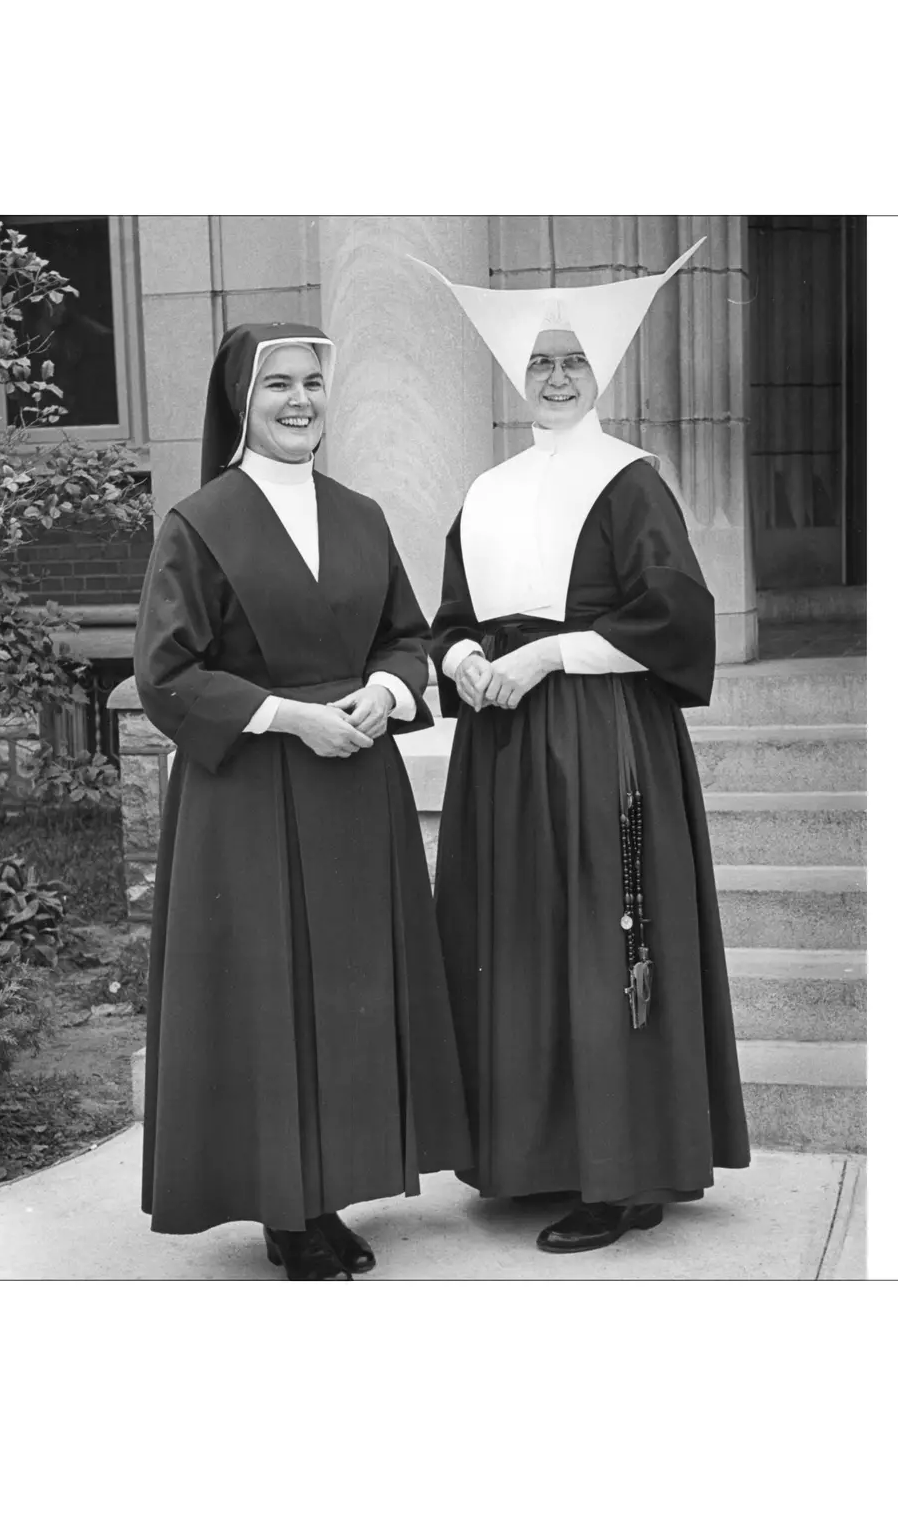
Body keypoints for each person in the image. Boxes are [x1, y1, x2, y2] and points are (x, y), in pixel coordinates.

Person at [414, 243, 750, 1253]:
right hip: (502, 747)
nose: (555, 377)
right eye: (540, 362)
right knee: (518, 944)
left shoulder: (630, 481)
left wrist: (550, 655)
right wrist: (463, 657)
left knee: (605, 942)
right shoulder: (486, 489)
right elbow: (450, 614)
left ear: (598, 372)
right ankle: (535, 1155)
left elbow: (673, 616)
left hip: (601, 739)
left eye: (572, 361)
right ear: (518, 375)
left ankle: (622, 1175)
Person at [133, 322, 471, 1279]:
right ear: (241, 400)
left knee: (346, 998)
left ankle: (327, 1194)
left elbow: (407, 635)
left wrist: (389, 691)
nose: (299, 400)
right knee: (271, 1001)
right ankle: (287, 1210)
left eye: (313, 383)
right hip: (249, 794)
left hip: (355, 786)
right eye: (277, 383)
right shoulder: (200, 523)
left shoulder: (359, 514)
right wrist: (289, 717)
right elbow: (166, 672)